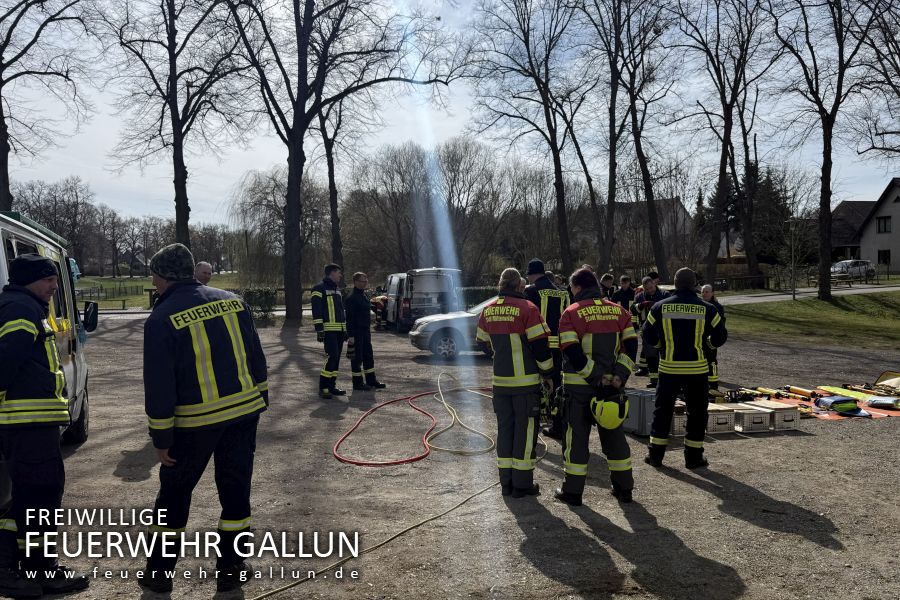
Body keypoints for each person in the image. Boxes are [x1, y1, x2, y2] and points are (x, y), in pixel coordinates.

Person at [141, 243, 269, 594]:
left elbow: (159, 384)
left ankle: (159, 573)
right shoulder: (233, 300)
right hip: (243, 413)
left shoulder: (161, 318)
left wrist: (161, 437)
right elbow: (255, 354)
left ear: (162, 278)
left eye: (154, 276)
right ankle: (231, 569)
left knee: (174, 499)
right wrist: (262, 396)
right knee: (236, 493)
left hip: (194, 424)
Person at [0, 255, 89, 597]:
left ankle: (27, 566)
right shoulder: (21, 309)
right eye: (48, 280)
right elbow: (5, 360)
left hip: (31, 424)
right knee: (42, 496)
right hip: (28, 424)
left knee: (29, 497)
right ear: (28, 280)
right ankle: (37, 569)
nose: (54, 286)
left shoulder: (22, 306)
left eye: (55, 279)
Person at [554, 268, 638, 507]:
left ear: (578, 287)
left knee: (576, 440)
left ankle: (573, 491)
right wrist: (619, 377)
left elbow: (572, 351)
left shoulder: (571, 313)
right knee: (614, 437)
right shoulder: (619, 311)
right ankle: (624, 489)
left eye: (571, 288)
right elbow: (631, 348)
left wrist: (596, 377)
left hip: (579, 388)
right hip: (612, 388)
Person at [476, 268, 555, 498]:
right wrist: (548, 374)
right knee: (525, 432)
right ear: (520, 286)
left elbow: (482, 341)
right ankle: (522, 485)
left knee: (505, 431)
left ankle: (506, 483)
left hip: (500, 384)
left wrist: (500, 356)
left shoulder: (488, 310)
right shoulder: (528, 309)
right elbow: (541, 346)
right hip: (526, 385)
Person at [642, 268, 727, 469]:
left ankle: (655, 456)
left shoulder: (659, 307)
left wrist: (659, 346)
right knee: (697, 413)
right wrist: (708, 346)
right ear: (694, 285)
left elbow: (647, 333)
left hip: (669, 368)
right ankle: (693, 458)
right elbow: (721, 336)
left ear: (675, 284)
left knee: (662, 411)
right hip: (697, 370)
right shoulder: (708, 308)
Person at [523, 259, 570, 440]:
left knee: (536, 387)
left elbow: (527, 319)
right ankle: (558, 425)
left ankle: (534, 428)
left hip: (539, 344)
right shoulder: (562, 292)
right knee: (558, 387)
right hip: (559, 345)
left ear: (533, 274)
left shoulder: (531, 291)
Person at [311, 264, 347, 399]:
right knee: (331, 358)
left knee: (336, 359)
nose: (340, 275)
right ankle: (323, 387)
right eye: (339, 272)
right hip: (328, 331)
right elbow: (316, 310)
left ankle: (332, 386)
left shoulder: (337, 289)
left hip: (339, 330)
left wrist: (345, 330)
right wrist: (319, 329)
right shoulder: (319, 288)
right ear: (332, 273)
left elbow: (340, 312)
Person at [345, 273, 386, 391]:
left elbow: (367, 308)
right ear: (356, 282)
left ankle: (371, 380)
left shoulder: (364, 295)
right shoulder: (352, 297)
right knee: (357, 358)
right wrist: (351, 335)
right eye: (363, 281)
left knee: (368, 356)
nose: (365, 283)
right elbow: (350, 318)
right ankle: (357, 383)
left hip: (365, 331)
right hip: (356, 332)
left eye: (366, 281)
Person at [631, 276, 668, 387]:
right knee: (651, 356)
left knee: (665, 355)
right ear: (644, 288)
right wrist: (642, 305)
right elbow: (632, 310)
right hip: (648, 330)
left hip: (663, 329)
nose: (650, 290)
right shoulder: (639, 296)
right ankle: (654, 380)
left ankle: (666, 379)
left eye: (651, 287)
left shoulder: (664, 295)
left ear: (654, 284)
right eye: (647, 289)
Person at [701, 284, 726, 391]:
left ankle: (713, 384)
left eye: (707, 291)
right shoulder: (700, 305)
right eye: (703, 292)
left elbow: (720, 325)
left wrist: (713, 339)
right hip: (700, 337)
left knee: (711, 361)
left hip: (711, 339)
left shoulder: (717, 307)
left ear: (712, 293)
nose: (705, 294)